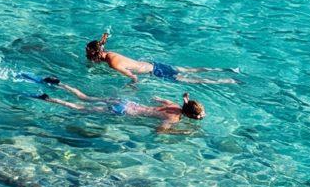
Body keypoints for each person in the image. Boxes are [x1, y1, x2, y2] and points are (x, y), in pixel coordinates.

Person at [38, 82, 206, 130]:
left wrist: (185, 100)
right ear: (189, 115)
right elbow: (160, 131)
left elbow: (158, 99)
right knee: (80, 108)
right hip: (124, 111)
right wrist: (180, 132)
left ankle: (61, 84)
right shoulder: (174, 118)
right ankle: (50, 99)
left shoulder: (175, 105)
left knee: (86, 97)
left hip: (126, 103)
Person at [86, 33, 236, 85]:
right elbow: (101, 45)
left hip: (157, 73)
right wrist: (104, 37)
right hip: (154, 65)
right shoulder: (108, 53)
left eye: (89, 55)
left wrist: (131, 86)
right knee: (190, 70)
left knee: (194, 80)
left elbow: (133, 77)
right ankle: (228, 70)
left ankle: (227, 81)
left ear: (96, 54)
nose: (88, 58)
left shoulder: (112, 63)